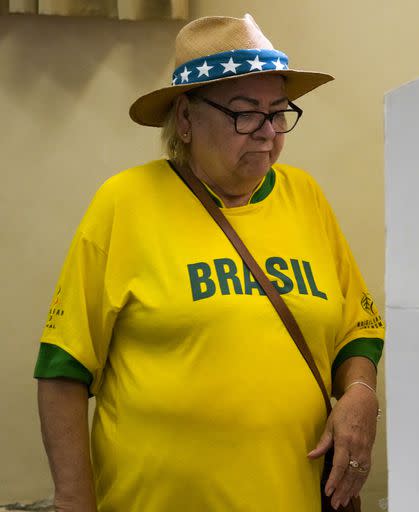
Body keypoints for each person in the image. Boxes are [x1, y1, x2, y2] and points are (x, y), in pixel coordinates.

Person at [34, 14, 384, 512]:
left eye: (278, 113)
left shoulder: (306, 198)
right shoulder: (124, 203)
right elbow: (63, 369)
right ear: (185, 119)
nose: (266, 133)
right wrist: (73, 501)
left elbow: (357, 329)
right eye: (244, 113)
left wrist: (361, 393)